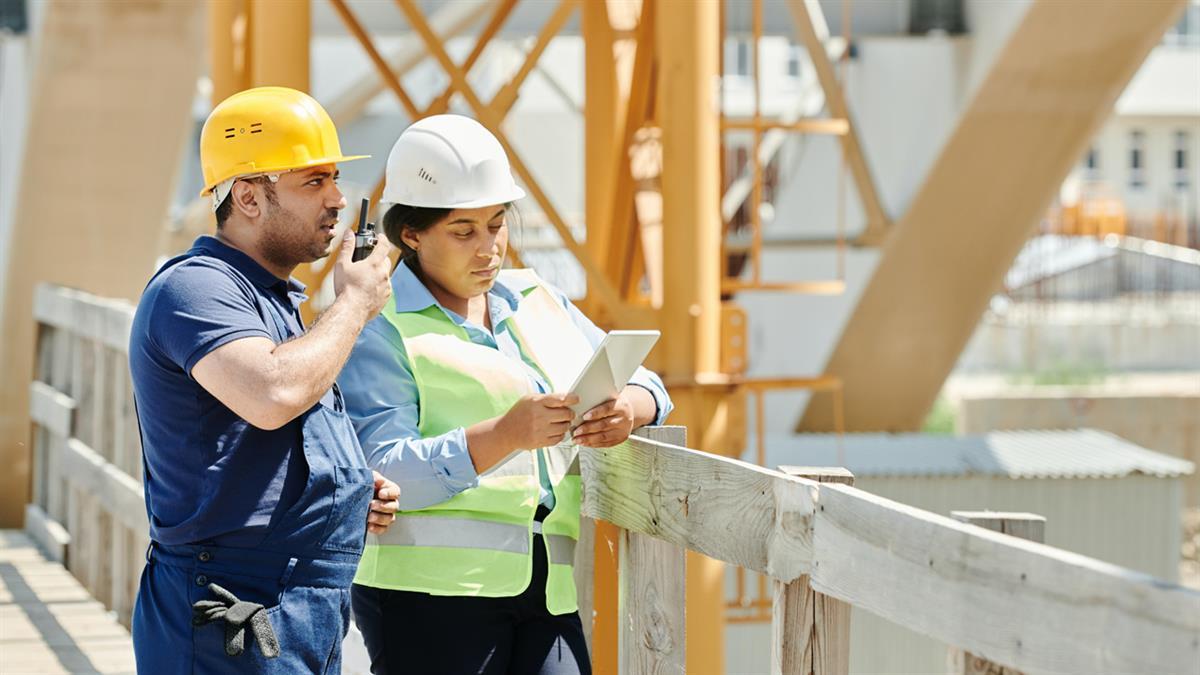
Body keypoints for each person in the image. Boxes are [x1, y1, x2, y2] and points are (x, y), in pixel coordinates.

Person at [341, 114, 673, 674]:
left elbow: (649, 382)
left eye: (497, 225)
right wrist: (505, 436)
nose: (489, 249)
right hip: (429, 600)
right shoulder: (378, 326)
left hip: (546, 589)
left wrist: (627, 411)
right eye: (464, 231)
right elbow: (380, 472)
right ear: (412, 234)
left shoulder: (537, 297)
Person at [129, 86, 401, 674]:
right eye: (313, 182)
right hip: (232, 603)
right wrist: (354, 305)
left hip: (294, 601)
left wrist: (346, 490)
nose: (336, 199)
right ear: (248, 197)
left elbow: (266, 431)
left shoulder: (269, 300)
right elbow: (273, 393)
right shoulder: (194, 288)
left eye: (334, 178)